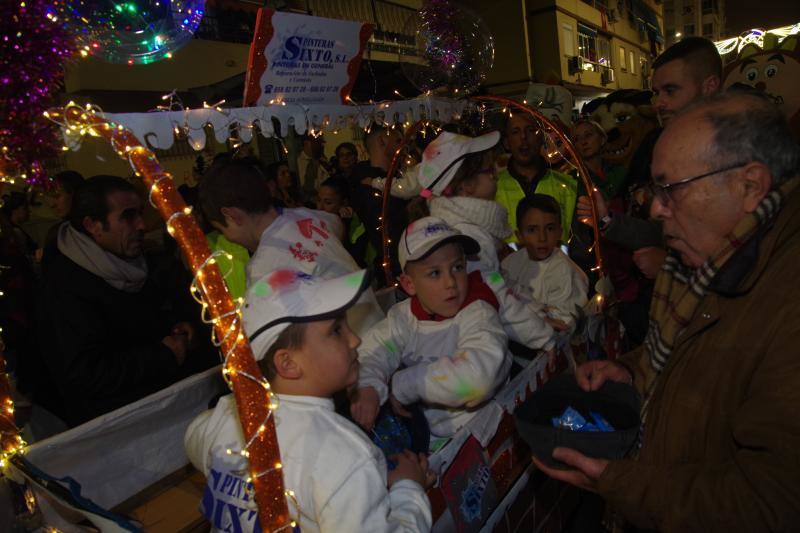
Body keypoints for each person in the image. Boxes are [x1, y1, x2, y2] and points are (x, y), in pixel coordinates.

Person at [534, 92, 800, 531]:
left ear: (750, 186)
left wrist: (619, 482)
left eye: (670, 189)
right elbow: (698, 353)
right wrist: (633, 369)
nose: (656, 208)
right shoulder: (712, 259)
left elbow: (769, 505)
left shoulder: (785, 301)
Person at [185, 269, 433, 533]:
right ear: (288, 363)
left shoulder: (223, 416)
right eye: (336, 331)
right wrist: (409, 487)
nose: (355, 339)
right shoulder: (345, 456)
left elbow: (194, 438)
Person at [36, 176, 202, 426]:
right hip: (118, 427)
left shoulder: (142, 262)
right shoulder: (64, 286)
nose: (142, 225)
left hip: (165, 409)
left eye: (141, 214)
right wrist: (163, 355)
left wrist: (184, 327)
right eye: (127, 216)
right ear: (93, 225)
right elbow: (84, 373)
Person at [351, 217, 512, 441]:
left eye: (457, 267)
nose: (451, 283)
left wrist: (400, 386)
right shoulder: (402, 319)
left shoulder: (478, 313)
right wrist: (368, 387)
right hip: (432, 437)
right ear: (409, 284)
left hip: (487, 430)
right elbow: (371, 353)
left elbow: (477, 380)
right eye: (435, 273)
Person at [198, 158, 383, 337]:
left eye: (222, 230)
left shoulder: (262, 269)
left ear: (232, 216)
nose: (227, 238)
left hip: (351, 355)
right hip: (378, 332)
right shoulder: (309, 216)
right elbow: (337, 224)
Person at [417, 130, 562, 357]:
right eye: (489, 170)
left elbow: (498, 280)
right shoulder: (467, 236)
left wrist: (535, 310)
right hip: (476, 348)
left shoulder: (468, 226)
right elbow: (498, 298)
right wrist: (544, 336)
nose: (495, 174)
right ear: (466, 186)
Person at [501, 195, 588, 329]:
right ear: (520, 236)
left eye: (550, 229)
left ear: (560, 232)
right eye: (532, 230)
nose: (542, 238)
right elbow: (496, 281)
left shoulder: (564, 271)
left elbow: (564, 322)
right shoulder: (510, 262)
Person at [494, 113, 578, 243]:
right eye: (516, 132)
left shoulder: (568, 185)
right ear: (506, 142)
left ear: (541, 137)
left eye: (530, 130)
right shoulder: (492, 187)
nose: (523, 137)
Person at [349, 125, 409, 281]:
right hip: (395, 271)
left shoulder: (395, 179)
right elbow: (389, 228)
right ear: (382, 141)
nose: (403, 146)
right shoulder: (367, 185)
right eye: (398, 141)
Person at [316, 176, 369, 267]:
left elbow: (353, 260)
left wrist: (345, 225)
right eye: (318, 200)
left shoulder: (356, 226)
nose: (320, 208)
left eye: (328, 202)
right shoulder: (314, 222)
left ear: (344, 203)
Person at [296, 133, 329, 198]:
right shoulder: (297, 162)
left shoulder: (322, 159)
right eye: (316, 142)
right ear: (306, 143)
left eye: (321, 143)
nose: (321, 145)